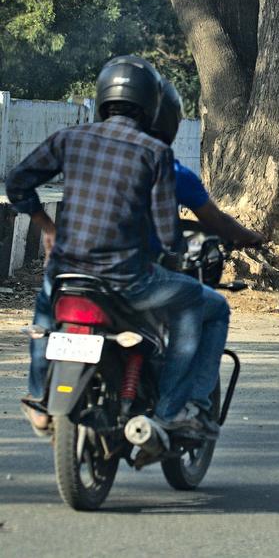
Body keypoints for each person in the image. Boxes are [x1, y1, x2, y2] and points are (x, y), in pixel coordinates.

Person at [8, 56, 209, 438]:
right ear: (151, 104)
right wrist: (176, 253)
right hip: (125, 278)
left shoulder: (69, 138)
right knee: (192, 301)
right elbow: (167, 231)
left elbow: (18, 182)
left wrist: (47, 227)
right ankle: (169, 410)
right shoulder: (155, 152)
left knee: (44, 321)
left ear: (102, 97)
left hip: (67, 271)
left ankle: (38, 396)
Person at [146, 78, 265, 433]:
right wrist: (248, 237)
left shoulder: (87, 155)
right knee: (209, 308)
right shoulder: (167, 167)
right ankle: (185, 407)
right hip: (138, 277)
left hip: (74, 272)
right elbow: (215, 220)